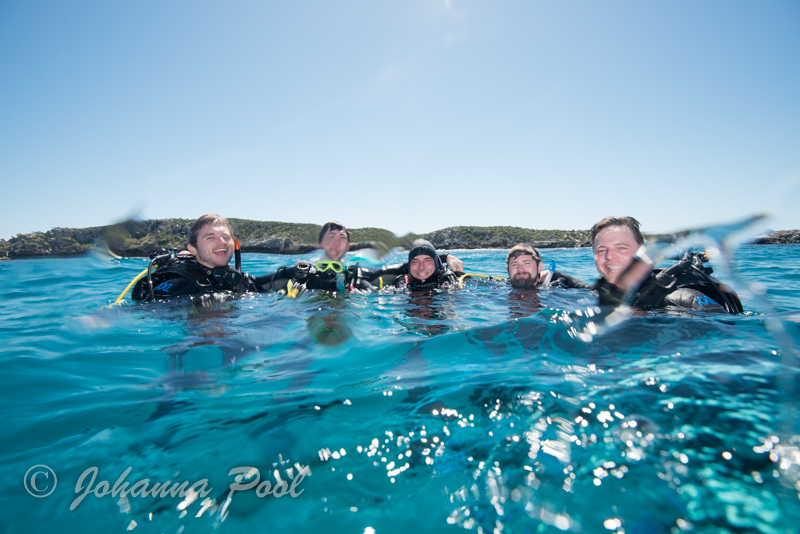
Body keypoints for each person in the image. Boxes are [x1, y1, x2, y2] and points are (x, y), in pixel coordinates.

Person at [590, 216, 742, 313]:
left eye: (622, 248)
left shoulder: (682, 300)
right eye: (601, 250)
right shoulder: (601, 296)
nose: (609, 256)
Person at [131, 214, 272, 300]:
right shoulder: (178, 286)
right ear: (193, 249)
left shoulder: (235, 278)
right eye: (210, 237)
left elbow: (269, 282)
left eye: (226, 237)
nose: (222, 242)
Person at [505, 244, 590, 289]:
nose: (520, 269)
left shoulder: (557, 287)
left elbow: (592, 291)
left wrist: (556, 275)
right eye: (514, 264)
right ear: (508, 270)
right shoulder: (499, 286)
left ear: (539, 267)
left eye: (527, 263)